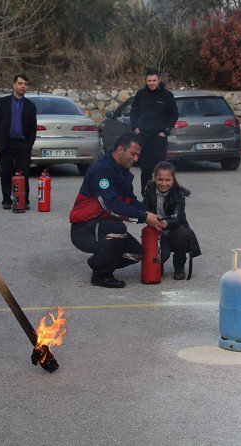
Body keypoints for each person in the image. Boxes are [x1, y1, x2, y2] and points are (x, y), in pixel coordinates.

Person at [69, 133, 163, 288]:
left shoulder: (124, 172)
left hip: (103, 225)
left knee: (136, 253)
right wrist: (143, 217)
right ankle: (101, 276)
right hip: (84, 230)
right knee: (118, 228)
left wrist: (153, 215)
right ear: (120, 149)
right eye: (133, 154)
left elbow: (131, 201)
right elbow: (111, 206)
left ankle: (98, 262)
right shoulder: (101, 170)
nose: (136, 159)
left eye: (138, 155)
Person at [142, 161, 201, 280]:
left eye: (167, 180)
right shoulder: (149, 188)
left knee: (183, 235)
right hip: (156, 226)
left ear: (173, 180)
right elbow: (144, 208)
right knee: (161, 254)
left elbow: (178, 216)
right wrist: (148, 217)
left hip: (174, 226)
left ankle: (179, 267)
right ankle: (159, 264)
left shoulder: (178, 193)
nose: (164, 183)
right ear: (155, 178)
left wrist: (166, 223)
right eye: (160, 179)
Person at [0, 74, 37, 210]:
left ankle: (23, 200)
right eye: (20, 83)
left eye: (25, 84)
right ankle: (6, 200)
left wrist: (29, 144)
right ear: (14, 84)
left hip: (23, 145)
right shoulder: (3, 103)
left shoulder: (30, 106)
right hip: (6, 143)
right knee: (6, 172)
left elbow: (33, 128)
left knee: (24, 173)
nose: (23, 86)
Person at [129, 69, 178, 195]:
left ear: (159, 80)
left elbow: (173, 115)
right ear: (146, 81)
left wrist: (165, 131)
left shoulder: (167, 95)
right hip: (143, 137)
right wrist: (135, 127)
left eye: (154, 80)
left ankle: (163, 193)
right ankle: (145, 194)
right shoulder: (140, 94)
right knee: (145, 169)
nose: (152, 83)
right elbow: (134, 112)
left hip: (159, 138)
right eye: (149, 81)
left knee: (161, 169)